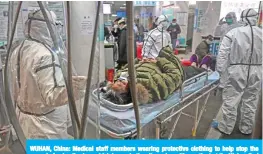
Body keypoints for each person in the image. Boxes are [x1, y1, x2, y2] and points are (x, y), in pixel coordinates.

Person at [8, 10, 87, 139]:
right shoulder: (45, 55)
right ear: (47, 27)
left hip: (24, 119)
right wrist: (78, 86)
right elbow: (52, 97)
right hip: (45, 126)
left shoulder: (19, 49)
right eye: (55, 25)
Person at [213, 9, 262, 135]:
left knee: (231, 99)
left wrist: (220, 71)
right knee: (251, 100)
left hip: (237, 69)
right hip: (257, 70)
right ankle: (246, 128)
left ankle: (225, 127)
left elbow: (223, 54)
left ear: (242, 18)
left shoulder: (234, 33)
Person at [103, 46, 207, 105]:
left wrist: (139, 61)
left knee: (183, 62)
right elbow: (175, 75)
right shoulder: (150, 88)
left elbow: (127, 67)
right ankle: (204, 68)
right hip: (177, 71)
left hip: (153, 64)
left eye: (117, 82)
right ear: (128, 93)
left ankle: (195, 64)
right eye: (121, 84)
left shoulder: (121, 77)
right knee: (193, 70)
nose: (120, 81)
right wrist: (159, 61)